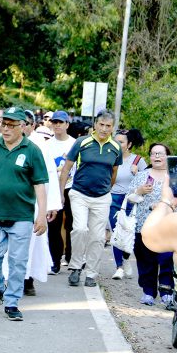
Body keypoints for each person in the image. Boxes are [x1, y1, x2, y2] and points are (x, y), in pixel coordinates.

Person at [0, 106, 48, 321]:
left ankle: (12, 302)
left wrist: (41, 214)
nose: (5, 129)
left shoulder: (32, 150)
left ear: (22, 127)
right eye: (4, 124)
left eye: (11, 125)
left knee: (17, 261)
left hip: (21, 216)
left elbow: (40, 185)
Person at [60, 110, 122, 287]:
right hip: (79, 193)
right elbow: (66, 169)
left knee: (97, 237)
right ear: (95, 124)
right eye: (101, 124)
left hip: (102, 197)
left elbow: (114, 172)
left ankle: (91, 274)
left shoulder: (115, 147)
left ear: (112, 128)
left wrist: (106, 190)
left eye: (108, 126)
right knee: (80, 229)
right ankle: (76, 267)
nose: (104, 129)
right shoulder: (82, 142)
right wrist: (60, 194)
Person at [129, 144, 177, 308]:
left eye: (160, 154)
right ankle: (148, 292)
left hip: (170, 226)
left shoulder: (176, 175)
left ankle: (167, 293)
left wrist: (166, 204)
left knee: (167, 260)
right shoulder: (142, 176)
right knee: (146, 260)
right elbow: (130, 197)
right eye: (153, 154)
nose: (157, 157)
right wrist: (140, 191)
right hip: (144, 226)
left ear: (167, 156)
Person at [20, 110, 62, 296]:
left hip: (35, 202)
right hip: (9, 202)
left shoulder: (40, 146)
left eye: (24, 124)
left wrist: (52, 204)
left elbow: (50, 176)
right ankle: (10, 279)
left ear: (31, 126)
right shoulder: (3, 144)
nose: (20, 128)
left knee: (32, 242)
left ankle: (28, 279)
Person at [109, 128, 147, 280]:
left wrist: (137, 173)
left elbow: (148, 181)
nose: (118, 144)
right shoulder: (110, 159)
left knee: (130, 232)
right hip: (114, 199)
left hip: (132, 200)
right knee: (116, 232)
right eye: (115, 141)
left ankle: (125, 258)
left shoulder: (138, 161)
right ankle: (119, 267)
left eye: (121, 142)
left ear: (129, 144)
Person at [43, 110, 75, 275]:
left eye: (60, 122)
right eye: (54, 122)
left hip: (71, 188)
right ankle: (54, 260)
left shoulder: (74, 144)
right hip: (53, 189)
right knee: (53, 225)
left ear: (67, 124)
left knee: (71, 225)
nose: (57, 125)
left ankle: (70, 257)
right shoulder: (46, 145)